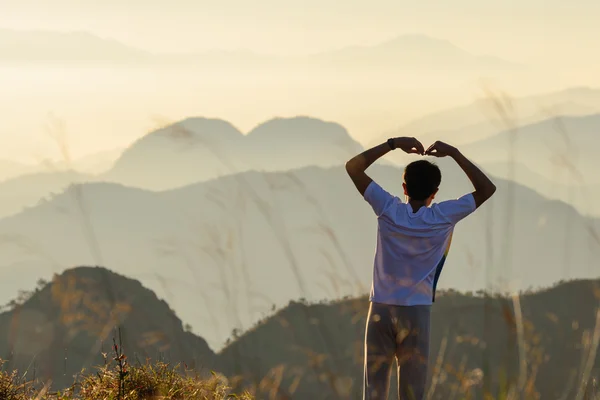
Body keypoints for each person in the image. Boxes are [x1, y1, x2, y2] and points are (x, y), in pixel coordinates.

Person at [345, 137, 496, 400]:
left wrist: (392, 144)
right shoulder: (444, 216)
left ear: (404, 187)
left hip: (380, 306)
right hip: (417, 311)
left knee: (374, 391)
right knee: (413, 393)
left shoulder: (388, 209)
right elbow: (486, 189)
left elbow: (353, 167)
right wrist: (455, 153)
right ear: (435, 192)